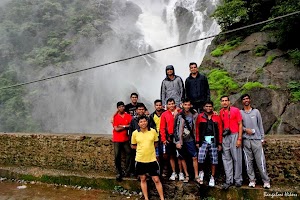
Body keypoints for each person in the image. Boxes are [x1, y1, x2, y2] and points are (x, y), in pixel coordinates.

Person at [240, 94, 271, 189]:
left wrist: (262, 138)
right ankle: (252, 180)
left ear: (250, 100)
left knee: (260, 161)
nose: (246, 100)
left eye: (247, 98)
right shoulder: (240, 112)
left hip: (256, 140)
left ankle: (266, 181)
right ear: (242, 101)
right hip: (246, 140)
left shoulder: (256, 112)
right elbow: (239, 125)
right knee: (248, 162)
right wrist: (245, 130)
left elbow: (260, 125)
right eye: (244, 99)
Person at [131, 115, 165, 200]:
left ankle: (162, 198)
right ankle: (146, 198)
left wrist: (149, 148)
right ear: (138, 124)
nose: (143, 123)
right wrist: (141, 149)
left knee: (156, 179)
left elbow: (156, 143)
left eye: (144, 121)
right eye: (141, 122)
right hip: (140, 159)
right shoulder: (135, 133)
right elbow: (133, 145)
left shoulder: (153, 131)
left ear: (147, 122)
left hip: (152, 159)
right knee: (143, 178)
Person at [195, 100, 222, 187]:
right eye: (207, 106)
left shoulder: (216, 117)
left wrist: (219, 143)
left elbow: (220, 130)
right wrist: (197, 141)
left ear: (212, 107)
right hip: (203, 140)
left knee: (214, 159)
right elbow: (197, 129)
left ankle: (212, 177)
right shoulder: (200, 116)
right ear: (203, 107)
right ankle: (201, 171)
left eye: (210, 106)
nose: (208, 108)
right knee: (201, 158)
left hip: (213, 140)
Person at [219, 95, 243, 189]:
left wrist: (239, 139)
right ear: (221, 102)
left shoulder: (235, 110)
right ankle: (229, 180)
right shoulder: (221, 112)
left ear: (229, 102)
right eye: (223, 101)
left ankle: (238, 180)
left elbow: (240, 124)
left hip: (234, 134)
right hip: (225, 136)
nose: (224, 102)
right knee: (226, 158)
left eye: (226, 100)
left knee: (237, 158)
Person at [174, 98, 199, 183]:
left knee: (194, 156)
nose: (187, 106)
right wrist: (177, 141)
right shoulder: (179, 115)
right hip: (181, 140)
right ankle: (186, 175)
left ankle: (196, 175)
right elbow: (175, 129)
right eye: (185, 104)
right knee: (183, 157)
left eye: (188, 104)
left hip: (191, 138)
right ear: (182, 105)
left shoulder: (194, 114)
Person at [128, 103, 155, 176]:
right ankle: (135, 173)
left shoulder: (149, 119)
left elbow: (153, 129)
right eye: (139, 109)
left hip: (148, 143)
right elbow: (130, 132)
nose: (141, 111)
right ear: (136, 110)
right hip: (137, 143)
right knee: (135, 158)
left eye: (142, 109)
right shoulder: (133, 120)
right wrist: (131, 142)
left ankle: (149, 173)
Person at [160, 98, 180, 180]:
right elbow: (162, 127)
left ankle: (181, 172)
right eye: (169, 104)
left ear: (175, 104)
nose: (171, 105)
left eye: (172, 103)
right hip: (169, 137)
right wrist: (163, 138)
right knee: (171, 155)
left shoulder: (180, 112)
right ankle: (174, 172)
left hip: (179, 137)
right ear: (167, 105)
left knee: (180, 155)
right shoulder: (164, 114)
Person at [112, 101, 132, 181]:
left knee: (129, 153)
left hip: (125, 139)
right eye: (120, 107)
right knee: (117, 156)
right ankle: (119, 172)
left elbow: (131, 125)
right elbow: (116, 129)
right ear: (117, 108)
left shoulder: (128, 116)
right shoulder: (115, 117)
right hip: (117, 139)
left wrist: (122, 126)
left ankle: (127, 171)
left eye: (123, 106)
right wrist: (125, 126)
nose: (122, 108)